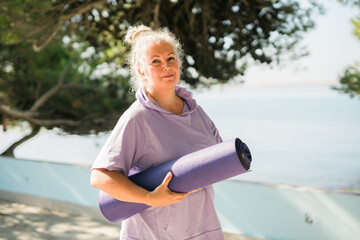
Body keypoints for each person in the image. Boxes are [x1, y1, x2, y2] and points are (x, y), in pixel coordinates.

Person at [90, 24, 224, 240]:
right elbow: (100, 176)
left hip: (204, 230)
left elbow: (216, 158)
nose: (166, 66)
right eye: (155, 61)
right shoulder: (138, 118)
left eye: (171, 58)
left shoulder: (196, 112)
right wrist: (150, 197)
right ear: (141, 71)